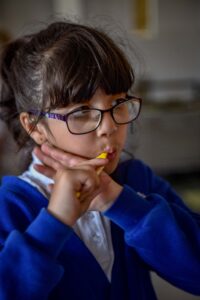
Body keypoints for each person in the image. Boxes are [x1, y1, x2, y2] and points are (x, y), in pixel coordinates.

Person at [0, 21, 199, 300]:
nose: (108, 127)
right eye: (81, 112)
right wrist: (56, 220)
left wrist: (119, 203)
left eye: (117, 104)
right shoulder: (11, 205)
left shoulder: (135, 181)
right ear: (35, 126)